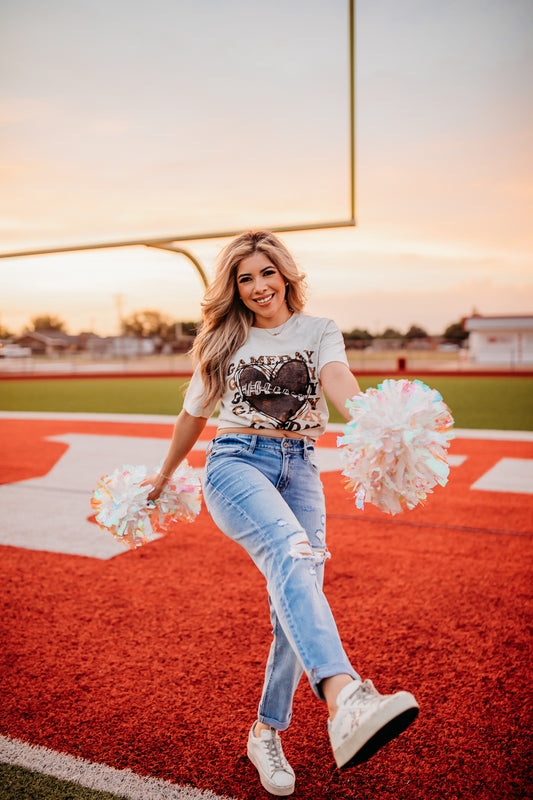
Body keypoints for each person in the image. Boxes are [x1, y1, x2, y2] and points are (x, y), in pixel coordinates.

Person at [145, 231, 419, 797]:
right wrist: (166, 473)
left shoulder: (319, 330)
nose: (257, 287)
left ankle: (266, 730)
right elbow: (192, 416)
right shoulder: (221, 339)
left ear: (286, 275)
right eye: (244, 278)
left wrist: (369, 418)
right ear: (233, 287)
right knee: (293, 555)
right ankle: (345, 697)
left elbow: (336, 378)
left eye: (266, 273)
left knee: (299, 596)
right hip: (235, 463)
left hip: (301, 466)